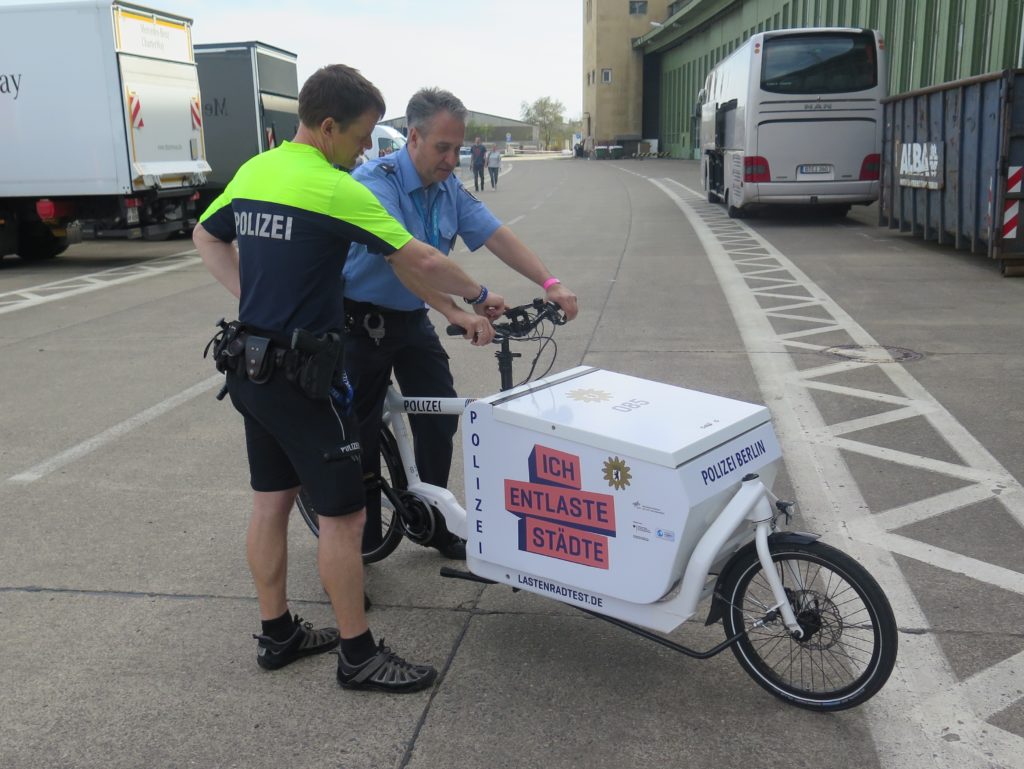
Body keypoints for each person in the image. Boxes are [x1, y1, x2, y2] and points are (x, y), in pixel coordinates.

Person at [192, 65, 505, 694]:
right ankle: (358, 654)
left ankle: (277, 632)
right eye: (362, 136)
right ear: (329, 126)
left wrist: (253, 297)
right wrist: (480, 293)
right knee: (344, 517)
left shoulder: (258, 169)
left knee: (271, 502)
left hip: (251, 365)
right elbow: (417, 256)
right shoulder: (333, 189)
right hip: (306, 377)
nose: (367, 150)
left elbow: (205, 232)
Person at [343, 87, 579, 561]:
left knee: (439, 416)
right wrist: (463, 304)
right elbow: (408, 262)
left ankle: (434, 517)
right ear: (413, 137)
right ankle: (356, 543)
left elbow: (495, 233)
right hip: (359, 321)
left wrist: (550, 281)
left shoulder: (447, 187)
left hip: (411, 317)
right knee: (358, 436)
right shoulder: (377, 182)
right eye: (443, 148)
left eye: (459, 148)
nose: (453, 159)